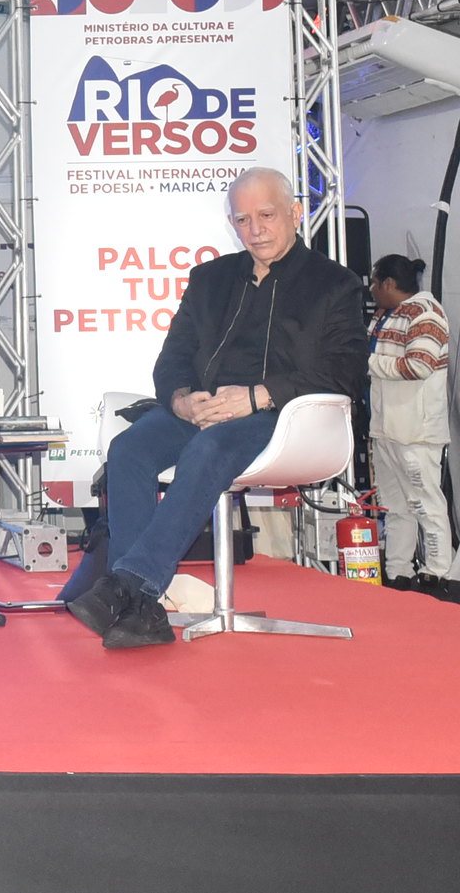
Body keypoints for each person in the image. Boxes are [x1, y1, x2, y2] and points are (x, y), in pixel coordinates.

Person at [67, 168, 367, 648]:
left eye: (266, 215)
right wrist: (181, 399)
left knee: (208, 449)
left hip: (280, 418)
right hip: (202, 412)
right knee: (129, 450)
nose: (255, 230)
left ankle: (130, 586)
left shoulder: (335, 284)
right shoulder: (210, 278)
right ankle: (141, 608)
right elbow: (172, 358)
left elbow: (346, 371)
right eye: (243, 220)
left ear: (294, 213)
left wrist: (257, 396)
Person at [366, 254, 452, 597]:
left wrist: (367, 362)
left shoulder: (425, 314)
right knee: (394, 505)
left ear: (388, 283)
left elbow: (418, 366)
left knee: (425, 503)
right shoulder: (384, 314)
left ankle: (438, 573)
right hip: (386, 429)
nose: (372, 291)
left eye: (374, 283)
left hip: (416, 431)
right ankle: (398, 571)